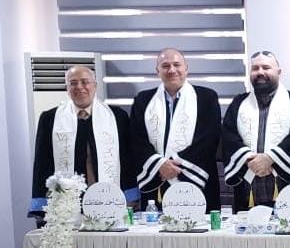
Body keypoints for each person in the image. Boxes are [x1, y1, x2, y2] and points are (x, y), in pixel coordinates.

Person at [30, 65, 138, 218]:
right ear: (67, 88)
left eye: (85, 82)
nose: (79, 87)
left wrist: (131, 196)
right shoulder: (50, 119)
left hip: (107, 196)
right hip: (68, 201)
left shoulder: (117, 117)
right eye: (73, 83)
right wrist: (40, 203)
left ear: (95, 85)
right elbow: (42, 163)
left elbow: (127, 159)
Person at [130, 48, 221, 212]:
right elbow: (137, 140)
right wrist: (160, 165)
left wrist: (174, 167)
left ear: (186, 68)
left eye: (177, 65)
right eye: (165, 66)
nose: (171, 70)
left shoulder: (207, 97)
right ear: (157, 71)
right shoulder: (143, 100)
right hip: (156, 180)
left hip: (197, 181)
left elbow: (208, 139)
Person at [221, 51, 290, 211]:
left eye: (266, 67)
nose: (260, 72)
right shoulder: (238, 103)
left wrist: (270, 158)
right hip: (248, 187)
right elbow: (228, 137)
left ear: (279, 72)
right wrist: (250, 159)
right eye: (255, 68)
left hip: (286, 186)